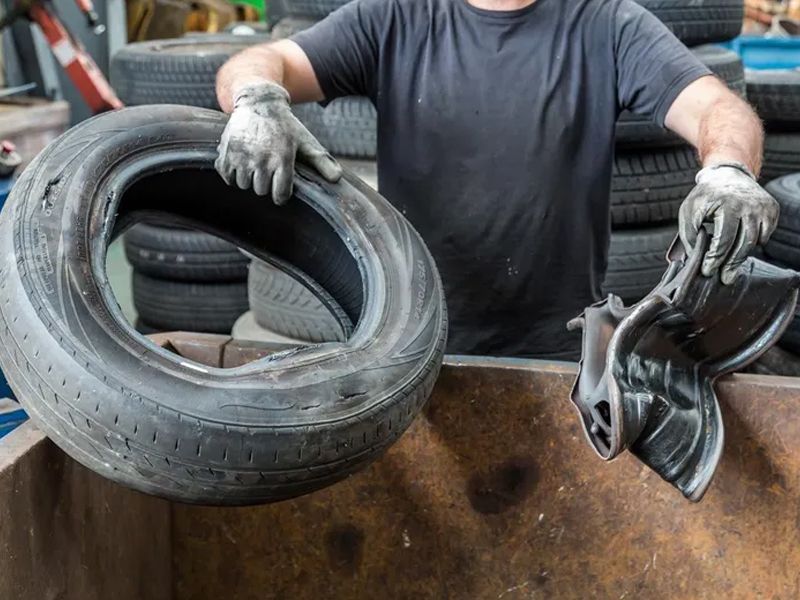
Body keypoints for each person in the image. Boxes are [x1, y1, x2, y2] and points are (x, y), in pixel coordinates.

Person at [214, 0, 778, 360]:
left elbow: (716, 108)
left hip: (561, 354)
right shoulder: (392, 18)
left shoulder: (607, 23)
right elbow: (266, 60)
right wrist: (255, 98)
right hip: (414, 348)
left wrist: (727, 166)